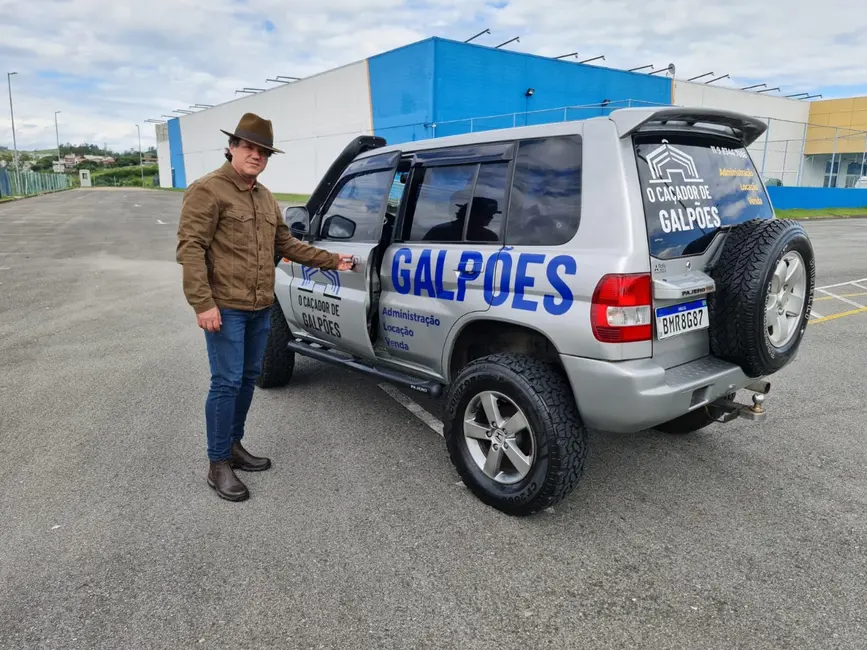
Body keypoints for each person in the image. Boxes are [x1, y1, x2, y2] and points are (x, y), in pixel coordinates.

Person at [176, 112, 353, 502]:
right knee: (225, 381)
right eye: (249, 147)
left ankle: (233, 445)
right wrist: (203, 304)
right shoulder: (207, 190)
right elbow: (191, 250)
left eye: (263, 151)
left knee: (247, 377)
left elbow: (285, 244)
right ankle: (217, 463)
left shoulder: (264, 196)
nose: (256, 155)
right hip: (225, 306)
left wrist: (331, 260)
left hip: (260, 305)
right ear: (232, 148)